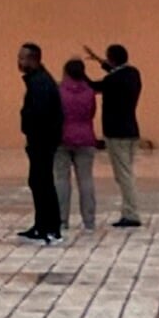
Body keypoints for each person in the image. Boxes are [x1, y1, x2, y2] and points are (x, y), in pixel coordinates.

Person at [81, 41, 144, 227]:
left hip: (116, 134)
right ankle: (130, 210)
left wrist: (80, 72)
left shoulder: (112, 81)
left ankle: (131, 214)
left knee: (124, 175)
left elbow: (93, 86)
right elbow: (116, 71)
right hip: (132, 131)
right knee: (127, 173)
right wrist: (99, 60)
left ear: (112, 59)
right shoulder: (133, 74)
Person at [16, 42, 64, 245]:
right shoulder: (37, 81)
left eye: (23, 58)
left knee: (43, 183)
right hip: (39, 141)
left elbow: (42, 115)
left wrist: (33, 131)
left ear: (34, 59)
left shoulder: (41, 83)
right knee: (38, 182)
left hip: (43, 142)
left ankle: (50, 228)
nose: (19, 62)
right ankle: (41, 225)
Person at [54, 59, 101, 233]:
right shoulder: (89, 92)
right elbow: (91, 113)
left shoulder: (58, 91)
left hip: (62, 138)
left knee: (61, 179)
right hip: (86, 137)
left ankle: (61, 219)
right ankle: (89, 220)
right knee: (86, 180)